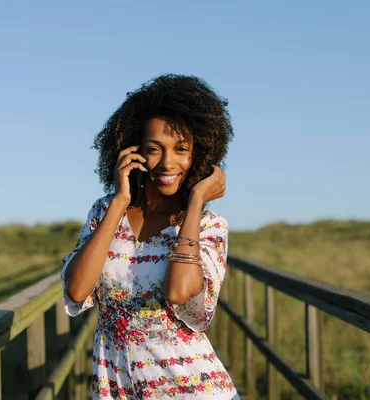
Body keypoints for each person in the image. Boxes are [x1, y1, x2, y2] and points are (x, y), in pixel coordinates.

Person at [61, 74, 238, 399]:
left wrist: (196, 201)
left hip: (192, 388)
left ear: (199, 154)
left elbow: (179, 291)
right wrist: (119, 202)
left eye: (182, 149)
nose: (168, 162)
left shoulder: (208, 227)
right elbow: (76, 290)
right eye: (155, 149)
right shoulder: (105, 212)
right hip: (117, 387)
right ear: (133, 151)